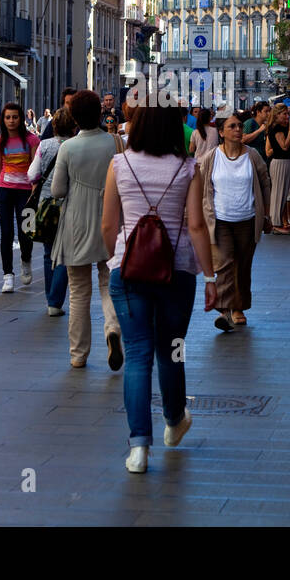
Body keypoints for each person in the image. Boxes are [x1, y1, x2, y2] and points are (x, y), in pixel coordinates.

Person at [101, 105, 218, 473]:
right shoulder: (187, 168)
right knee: (172, 350)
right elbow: (197, 226)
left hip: (128, 269)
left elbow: (108, 224)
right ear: (173, 126)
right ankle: (173, 420)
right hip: (177, 270)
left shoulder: (119, 164)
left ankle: (138, 448)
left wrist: (117, 257)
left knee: (137, 355)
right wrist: (211, 277)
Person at [51, 91, 125, 368]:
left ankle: (78, 354)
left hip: (77, 222)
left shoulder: (68, 148)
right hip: (111, 216)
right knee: (109, 282)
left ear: (73, 117)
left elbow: (57, 189)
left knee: (79, 290)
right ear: (100, 113)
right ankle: (113, 329)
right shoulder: (115, 143)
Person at [199, 113, 271, 331]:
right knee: (225, 262)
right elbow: (202, 188)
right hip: (220, 220)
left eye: (239, 126)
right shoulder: (212, 157)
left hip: (247, 219)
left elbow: (264, 182)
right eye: (232, 126)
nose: (238, 130)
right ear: (221, 132)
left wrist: (266, 214)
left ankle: (238, 307)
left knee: (243, 265)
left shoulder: (253, 155)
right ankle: (225, 309)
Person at [27, 107, 75, 315]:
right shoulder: (76, 145)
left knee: (48, 253)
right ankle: (56, 301)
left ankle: (49, 299)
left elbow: (31, 174)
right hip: (71, 203)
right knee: (64, 254)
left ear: (53, 125)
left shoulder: (44, 145)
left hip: (46, 203)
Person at [0, 101, 40, 293]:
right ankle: (8, 275)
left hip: (26, 190)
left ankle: (26, 259)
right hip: (5, 189)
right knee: (6, 233)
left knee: (26, 230)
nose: (11, 121)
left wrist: (35, 192)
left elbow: (36, 170)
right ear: (3, 120)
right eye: (7, 117)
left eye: (15, 117)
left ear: (21, 119)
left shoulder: (32, 141)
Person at [266, 103, 290, 232]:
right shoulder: (276, 128)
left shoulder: (280, 127)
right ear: (277, 115)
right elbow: (284, 146)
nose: (287, 117)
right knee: (279, 193)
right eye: (284, 114)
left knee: (282, 192)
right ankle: (275, 223)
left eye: (287, 114)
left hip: (286, 162)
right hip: (280, 162)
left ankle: (278, 222)